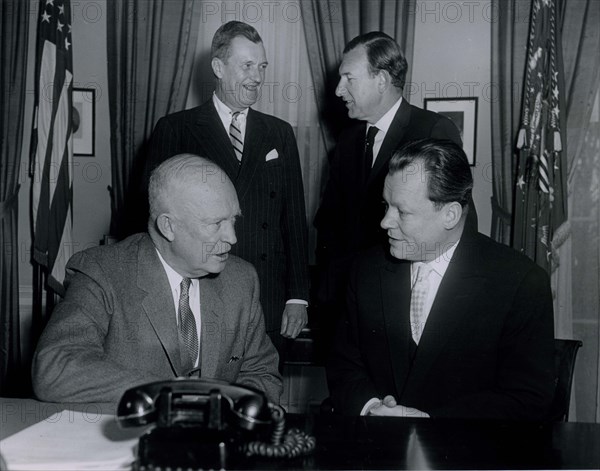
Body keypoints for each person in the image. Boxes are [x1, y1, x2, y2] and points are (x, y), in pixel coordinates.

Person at [326, 139, 555, 420]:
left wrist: (429, 423)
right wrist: (372, 407)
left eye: (402, 212)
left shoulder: (521, 282)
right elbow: (343, 364)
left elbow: (528, 399)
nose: (385, 221)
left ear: (450, 215)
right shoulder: (366, 270)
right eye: (386, 205)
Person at [32, 155, 282, 405]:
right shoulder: (103, 272)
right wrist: (171, 393)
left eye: (233, 220)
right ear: (168, 226)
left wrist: (223, 408)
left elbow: (263, 374)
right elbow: (55, 370)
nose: (232, 237)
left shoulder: (241, 280)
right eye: (215, 224)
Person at [144, 21, 309, 353]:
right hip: (199, 288)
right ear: (218, 67)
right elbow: (154, 223)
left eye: (261, 66)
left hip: (267, 295)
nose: (258, 76)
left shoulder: (279, 133)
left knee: (262, 394)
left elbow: (293, 219)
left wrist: (297, 295)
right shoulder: (176, 129)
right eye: (247, 65)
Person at [314, 31, 476, 313]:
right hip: (349, 297)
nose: (339, 90)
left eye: (349, 78)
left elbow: (460, 222)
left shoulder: (432, 130)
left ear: (382, 80)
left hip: (406, 296)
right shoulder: (348, 139)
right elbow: (330, 222)